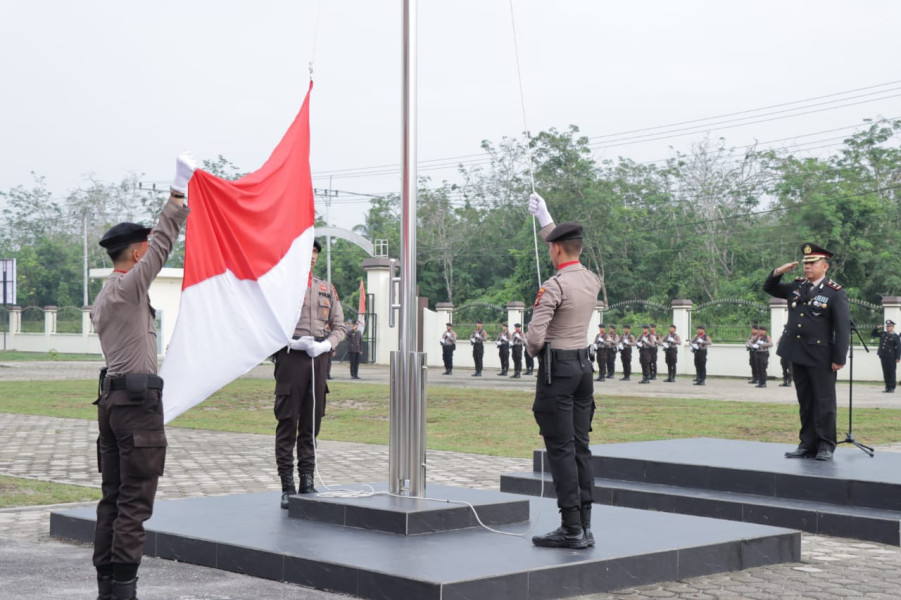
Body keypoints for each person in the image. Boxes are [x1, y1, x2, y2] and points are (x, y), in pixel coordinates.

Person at [90, 152, 194, 600]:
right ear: (135, 252)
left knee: (113, 500)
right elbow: (163, 245)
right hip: (135, 407)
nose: (147, 255)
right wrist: (176, 196)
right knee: (135, 503)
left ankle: (108, 589)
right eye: (143, 250)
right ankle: (124, 593)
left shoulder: (103, 297)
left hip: (113, 404)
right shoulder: (129, 286)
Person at [526, 192, 601, 550]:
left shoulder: (553, 287)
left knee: (560, 449)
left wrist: (533, 348)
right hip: (584, 368)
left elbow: (534, 339)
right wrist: (545, 218)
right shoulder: (591, 279)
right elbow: (561, 247)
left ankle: (570, 527)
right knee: (581, 447)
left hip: (558, 372)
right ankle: (584, 525)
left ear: (556, 251)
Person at [274, 239, 346, 507]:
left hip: (318, 359)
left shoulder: (326, 288)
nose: (312, 256)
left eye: (315, 252)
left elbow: (340, 325)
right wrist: (289, 341)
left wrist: (328, 344)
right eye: (308, 252)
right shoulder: (284, 286)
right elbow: (269, 320)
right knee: (287, 422)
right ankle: (287, 485)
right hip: (292, 357)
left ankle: (307, 480)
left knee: (311, 422)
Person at [764, 242, 850, 461]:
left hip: (821, 356)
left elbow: (842, 328)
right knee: (806, 401)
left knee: (824, 401)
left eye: (812, 263)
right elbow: (770, 288)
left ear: (825, 267)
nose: (807, 267)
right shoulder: (797, 286)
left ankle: (825, 445)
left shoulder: (834, 293)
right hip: (797, 352)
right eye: (805, 264)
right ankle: (807, 443)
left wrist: (839, 358)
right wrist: (777, 273)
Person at [871, 320, 900, 393]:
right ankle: (887, 387)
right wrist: (876, 328)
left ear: (893, 327)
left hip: (891, 356)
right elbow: (873, 334)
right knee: (885, 372)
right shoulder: (883, 334)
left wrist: (897, 357)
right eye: (887, 326)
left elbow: (899, 348)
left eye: (889, 326)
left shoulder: (895, 336)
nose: (888, 328)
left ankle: (892, 387)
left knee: (891, 372)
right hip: (883, 355)